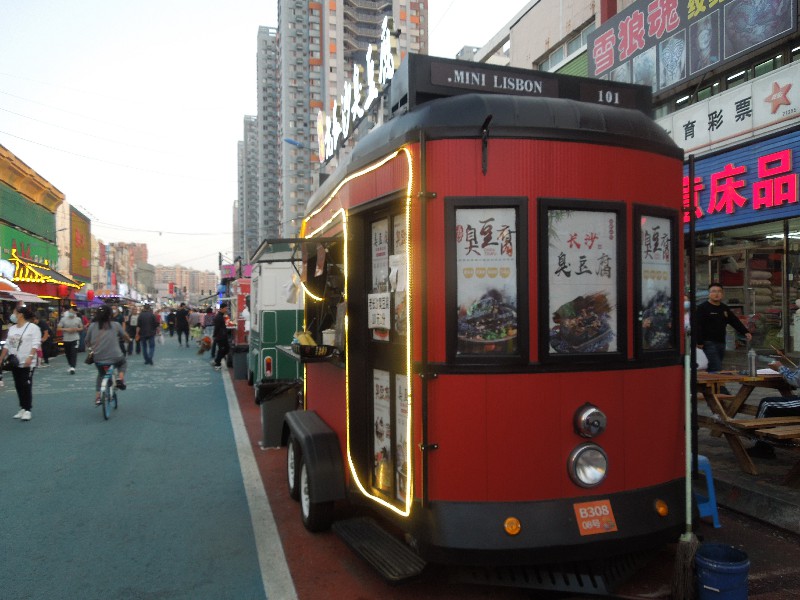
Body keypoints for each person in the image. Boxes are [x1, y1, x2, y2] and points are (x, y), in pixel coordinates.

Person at [696, 283, 752, 373]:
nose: (716, 294)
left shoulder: (724, 308)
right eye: (714, 291)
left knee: (713, 366)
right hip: (708, 343)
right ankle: (719, 386)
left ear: (722, 294)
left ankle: (710, 386)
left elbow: (734, 321)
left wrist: (745, 332)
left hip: (721, 342)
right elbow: (697, 325)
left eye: (719, 291)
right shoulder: (702, 308)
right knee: (716, 367)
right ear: (709, 294)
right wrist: (699, 341)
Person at [0, 305, 42, 422]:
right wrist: (1, 357)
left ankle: (28, 409)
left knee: (25, 384)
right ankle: (22, 408)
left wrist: (30, 356)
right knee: (18, 385)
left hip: (27, 362)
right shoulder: (12, 329)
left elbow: (35, 344)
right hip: (14, 361)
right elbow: (7, 344)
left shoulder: (33, 328)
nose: (12, 315)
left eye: (14, 312)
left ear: (20, 315)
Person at [85, 304, 130, 406]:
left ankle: (97, 397)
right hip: (116, 356)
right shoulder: (116, 325)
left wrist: (91, 348)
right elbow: (125, 336)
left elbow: (87, 341)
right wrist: (128, 340)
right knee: (123, 363)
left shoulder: (92, 326)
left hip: (98, 357)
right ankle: (120, 378)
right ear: (110, 314)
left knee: (101, 375)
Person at [57, 306, 84, 375]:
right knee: (68, 353)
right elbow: (58, 328)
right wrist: (66, 329)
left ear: (75, 312)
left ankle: (73, 367)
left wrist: (76, 329)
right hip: (66, 339)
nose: (70, 313)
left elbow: (81, 328)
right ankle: (70, 364)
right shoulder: (63, 319)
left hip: (75, 338)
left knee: (73, 352)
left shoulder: (78, 319)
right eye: (70, 311)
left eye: (72, 312)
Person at [212, 303, 230, 371]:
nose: (226, 310)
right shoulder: (219, 317)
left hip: (222, 335)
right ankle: (217, 363)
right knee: (223, 349)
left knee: (224, 349)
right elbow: (217, 328)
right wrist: (214, 336)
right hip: (221, 336)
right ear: (221, 308)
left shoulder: (220, 316)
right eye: (225, 308)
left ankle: (217, 361)